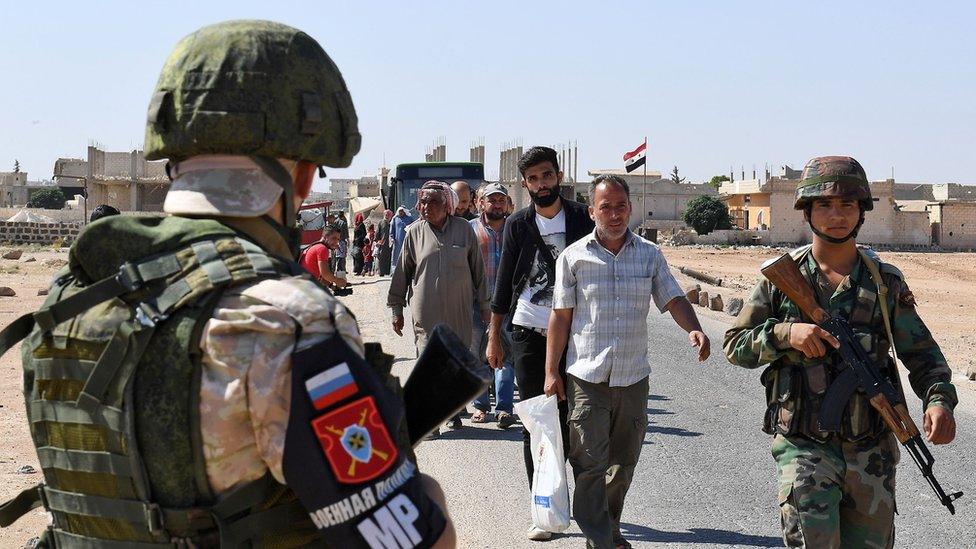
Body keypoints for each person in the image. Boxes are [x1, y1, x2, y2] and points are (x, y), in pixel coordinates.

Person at [0, 20, 456, 548]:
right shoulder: (288, 318)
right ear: (305, 176)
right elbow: (412, 543)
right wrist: (425, 492)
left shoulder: (78, 292)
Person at [724, 156, 957, 549]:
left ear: (862, 212)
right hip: (804, 446)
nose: (836, 215)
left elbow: (924, 357)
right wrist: (785, 333)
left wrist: (939, 402)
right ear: (807, 212)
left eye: (847, 205)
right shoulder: (783, 280)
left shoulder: (884, 283)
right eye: (825, 205)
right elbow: (735, 344)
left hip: (871, 450)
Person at [545, 174, 710, 549]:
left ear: (630, 209)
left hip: (634, 377)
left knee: (623, 463)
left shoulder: (649, 254)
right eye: (606, 207)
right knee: (589, 463)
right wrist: (550, 371)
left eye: (621, 207)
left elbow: (673, 298)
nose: (615, 214)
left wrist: (694, 329)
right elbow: (561, 316)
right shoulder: (574, 257)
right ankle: (601, 539)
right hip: (587, 375)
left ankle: (609, 527)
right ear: (592, 211)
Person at [486, 146, 594, 541]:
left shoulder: (584, 217)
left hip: (579, 334)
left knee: (579, 425)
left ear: (558, 176)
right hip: (529, 331)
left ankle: (587, 508)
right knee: (537, 424)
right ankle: (543, 510)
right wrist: (494, 335)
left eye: (546, 176)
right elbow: (504, 283)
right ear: (525, 183)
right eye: (532, 179)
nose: (540, 185)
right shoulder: (518, 224)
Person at [388, 180, 489, 432]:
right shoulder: (414, 232)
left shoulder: (464, 230)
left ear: (447, 205)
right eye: (422, 201)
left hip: (459, 312)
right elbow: (402, 273)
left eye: (432, 202)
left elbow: (479, 271)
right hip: (426, 312)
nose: (425, 207)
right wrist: (397, 308)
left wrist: (486, 306)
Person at [469, 183, 516, 428]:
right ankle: (480, 407)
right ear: (481, 203)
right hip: (476, 304)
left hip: (508, 305)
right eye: (492, 200)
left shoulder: (515, 229)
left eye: (501, 200)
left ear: (507, 204)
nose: (496, 204)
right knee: (477, 355)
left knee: (506, 356)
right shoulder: (469, 230)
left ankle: (504, 409)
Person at [299, 224, 349, 289]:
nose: (336, 242)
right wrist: (338, 281)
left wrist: (331, 286)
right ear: (325, 236)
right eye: (334, 238)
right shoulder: (322, 249)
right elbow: (325, 273)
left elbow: (320, 277)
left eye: (338, 239)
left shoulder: (315, 246)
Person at [390, 205, 415, 273]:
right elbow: (392, 229)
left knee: (407, 256)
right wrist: (392, 237)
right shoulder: (395, 219)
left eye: (402, 211)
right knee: (396, 256)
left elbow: (414, 228)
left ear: (404, 212)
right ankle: (394, 271)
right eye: (400, 211)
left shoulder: (410, 219)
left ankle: (408, 271)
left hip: (407, 241)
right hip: (397, 241)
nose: (401, 213)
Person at [377, 208, 394, 275]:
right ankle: (382, 272)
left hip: (391, 243)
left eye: (388, 214)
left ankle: (389, 272)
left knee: (390, 257)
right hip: (383, 243)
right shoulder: (381, 222)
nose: (387, 215)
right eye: (386, 214)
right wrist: (377, 241)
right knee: (382, 257)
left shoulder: (393, 222)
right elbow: (378, 233)